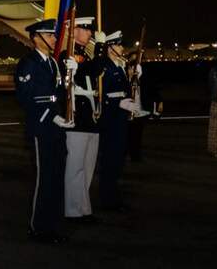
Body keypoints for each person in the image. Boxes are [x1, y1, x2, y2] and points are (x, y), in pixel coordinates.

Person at [15, 19, 73, 244]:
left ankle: (53, 225)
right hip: (42, 126)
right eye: (49, 36)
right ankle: (38, 228)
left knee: (57, 177)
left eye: (53, 36)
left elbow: (57, 93)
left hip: (57, 127)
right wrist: (53, 116)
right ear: (36, 37)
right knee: (44, 178)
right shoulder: (28, 63)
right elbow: (26, 98)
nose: (54, 39)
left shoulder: (52, 62)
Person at [57, 17, 107, 223]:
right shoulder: (67, 55)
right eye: (86, 31)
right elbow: (94, 70)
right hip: (77, 117)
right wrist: (102, 47)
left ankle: (83, 207)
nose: (90, 35)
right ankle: (72, 210)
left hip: (90, 118)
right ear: (74, 30)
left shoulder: (83, 56)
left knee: (87, 167)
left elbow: (93, 70)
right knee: (75, 167)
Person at [97, 31, 142, 211]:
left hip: (120, 120)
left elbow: (124, 90)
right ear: (110, 48)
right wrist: (119, 103)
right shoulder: (105, 67)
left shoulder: (119, 66)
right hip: (110, 121)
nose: (122, 48)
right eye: (119, 45)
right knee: (110, 161)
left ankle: (113, 196)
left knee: (117, 162)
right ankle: (108, 199)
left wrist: (134, 77)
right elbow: (102, 95)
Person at [126, 45, 162, 162]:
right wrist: (130, 77)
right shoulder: (126, 73)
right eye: (133, 60)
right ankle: (127, 153)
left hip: (141, 108)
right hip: (128, 108)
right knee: (128, 133)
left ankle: (136, 155)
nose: (135, 63)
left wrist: (159, 101)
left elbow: (153, 88)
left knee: (138, 133)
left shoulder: (146, 73)